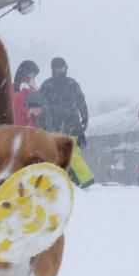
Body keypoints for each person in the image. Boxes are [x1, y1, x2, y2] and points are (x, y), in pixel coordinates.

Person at [39, 56, 95, 188]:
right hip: (53, 125)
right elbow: (40, 105)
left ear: (65, 68)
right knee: (58, 154)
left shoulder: (72, 83)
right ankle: (69, 179)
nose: (59, 70)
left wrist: (85, 117)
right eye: (57, 67)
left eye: (61, 67)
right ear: (52, 69)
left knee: (72, 153)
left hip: (72, 124)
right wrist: (42, 124)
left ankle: (88, 180)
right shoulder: (47, 85)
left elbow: (81, 101)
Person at [12, 60, 40, 126]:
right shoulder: (29, 89)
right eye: (33, 74)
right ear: (26, 72)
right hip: (25, 130)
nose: (34, 77)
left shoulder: (11, 87)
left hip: (14, 129)